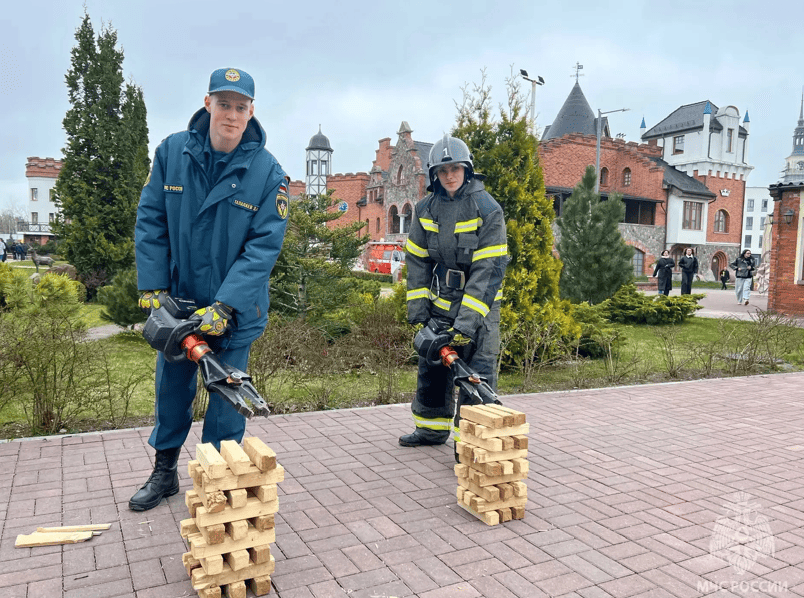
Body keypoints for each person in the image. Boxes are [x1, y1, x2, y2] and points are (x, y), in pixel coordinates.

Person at [131, 68, 289, 511]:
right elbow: (151, 219)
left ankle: (217, 485)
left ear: (251, 111)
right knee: (171, 393)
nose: (231, 115)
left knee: (226, 404)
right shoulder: (172, 153)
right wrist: (154, 284)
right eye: (224, 104)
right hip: (180, 306)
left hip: (234, 314)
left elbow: (263, 248)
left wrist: (226, 304)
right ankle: (164, 473)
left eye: (240, 106)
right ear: (208, 104)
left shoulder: (268, 173)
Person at [401, 134, 508, 454]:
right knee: (432, 367)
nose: (450, 175)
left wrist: (467, 322)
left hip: (481, 307)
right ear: (434, 174)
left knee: (477, 373)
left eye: (456, 169)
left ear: (467, 170)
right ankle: (430, 430)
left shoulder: (487, 208)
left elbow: (488, 269)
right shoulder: (425, 208)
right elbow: (417, 261)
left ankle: (472, 445)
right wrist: (419, 311)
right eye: (443, 170)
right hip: (442, 301)